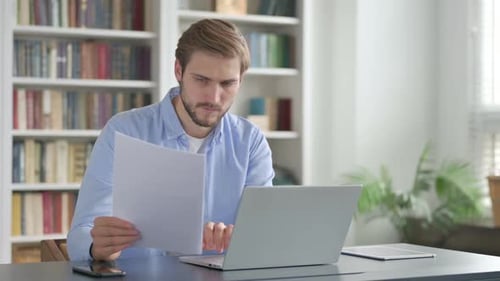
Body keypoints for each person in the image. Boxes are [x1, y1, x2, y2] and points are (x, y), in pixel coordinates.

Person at [67, 19, 275, 261]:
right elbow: (81, 235)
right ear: (179, 71)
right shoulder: (123, 131)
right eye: (202, 80)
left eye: (227, 83)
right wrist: (97, 246)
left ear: (241, 80)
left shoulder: (250, 142)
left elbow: (262, 234)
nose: (214, 97)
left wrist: (241, 237)